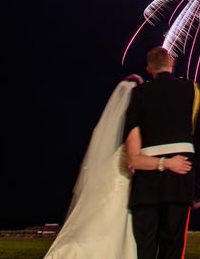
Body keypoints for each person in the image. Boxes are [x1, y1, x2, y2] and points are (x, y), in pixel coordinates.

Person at [43, 74, 145, 259]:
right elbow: (133, 159)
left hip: (101, 178)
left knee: (92, 222)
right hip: (120, 182)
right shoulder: (132, 126)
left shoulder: (101, 128)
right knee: (111, 230)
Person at [123, 47, 200, 259]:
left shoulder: (138, 94)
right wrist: (199, 188)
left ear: (149, 68)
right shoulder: (193, 91)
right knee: (173, 248)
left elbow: (131, 144)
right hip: (180, 180)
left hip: (146, 184)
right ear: (172, 63)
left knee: (144, 248)